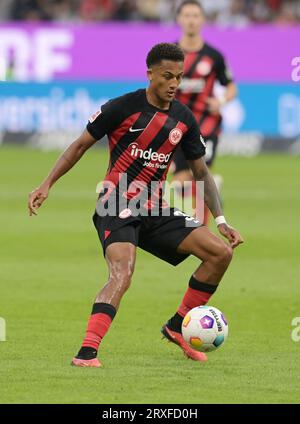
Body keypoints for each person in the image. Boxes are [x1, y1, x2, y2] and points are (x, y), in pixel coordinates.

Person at [28, 43, 243, 368]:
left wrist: (222, 218)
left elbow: (201, 172)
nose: (174, 83)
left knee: (220, 254)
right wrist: (47, 183)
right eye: (167, 76)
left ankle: (176, 327)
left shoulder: (183, 118)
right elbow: (78, 146)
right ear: (150, 74)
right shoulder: (121, 107)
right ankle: (87, 353)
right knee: (122, 274)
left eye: (179, 77)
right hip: (115, 203)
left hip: (154, 207)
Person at [173, 0, 238, 224]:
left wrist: (220, 100)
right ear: (179, 19)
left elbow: (231, 87)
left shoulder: (214, 56)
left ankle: (201, 231)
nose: (191, 20)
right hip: (177, 126)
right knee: (180, 184)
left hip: (206, 124)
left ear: (202, 20)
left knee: (199, 176)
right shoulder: (171, 55)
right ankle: (209, 193)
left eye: (196, 15)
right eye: (187, 15)